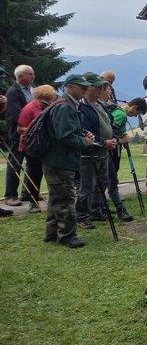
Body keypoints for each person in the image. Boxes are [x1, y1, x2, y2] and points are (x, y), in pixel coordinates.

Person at [41, 74, 96, 248]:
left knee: (56, 198)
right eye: (82, 86)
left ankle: (51, 233)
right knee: (65, 198)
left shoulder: (67, 104)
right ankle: (67, 235)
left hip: (58, 159)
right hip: (60, 160)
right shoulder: (65, 107)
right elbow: (65, 136)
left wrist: (81, 136)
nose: (85, 89)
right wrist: (85, 142)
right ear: (70, 86)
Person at [75, 73, 128, 228]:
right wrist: (103, 142)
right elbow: (84, 130)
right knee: (86, 186)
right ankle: (81, 215)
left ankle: (96, 209)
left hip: (104, 152)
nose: (101, 90)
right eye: (98, 87)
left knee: (103, 181)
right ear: (88, 88)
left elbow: (109, 123)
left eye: (102, 87)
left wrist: (115, 137)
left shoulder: (101, 104)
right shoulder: (81, 107)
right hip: (88, 153)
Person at [15, 84, 58, 209]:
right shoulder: (29, 108)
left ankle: (31, 194)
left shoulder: (48, 107)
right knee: (35, 173)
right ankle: (32, 203)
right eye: (47, 99)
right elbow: (19, 129)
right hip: (32, 145)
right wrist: (34, 130)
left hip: (44, 145)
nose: (49, 102)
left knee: (44, 171)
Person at [99, 81, 133, 221]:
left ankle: (119, 209)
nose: (111, 94)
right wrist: (119, 139)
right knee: (98, 183)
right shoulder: (90, 107)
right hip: (99, 149)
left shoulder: (105, 107)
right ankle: (98, 209)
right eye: (108, 90)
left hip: (109, 149)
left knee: (111, 180)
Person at [4, 64, 35, 207]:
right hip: (19, 133)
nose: (33, 76)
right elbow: (13, 116)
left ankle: (28, 193)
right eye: (30, 74)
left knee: (33, 164)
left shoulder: (31, 90)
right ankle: (10, 195)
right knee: (15, 164)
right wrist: (23, 129)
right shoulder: (13, 92)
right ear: (20, 76)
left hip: (32, 134)